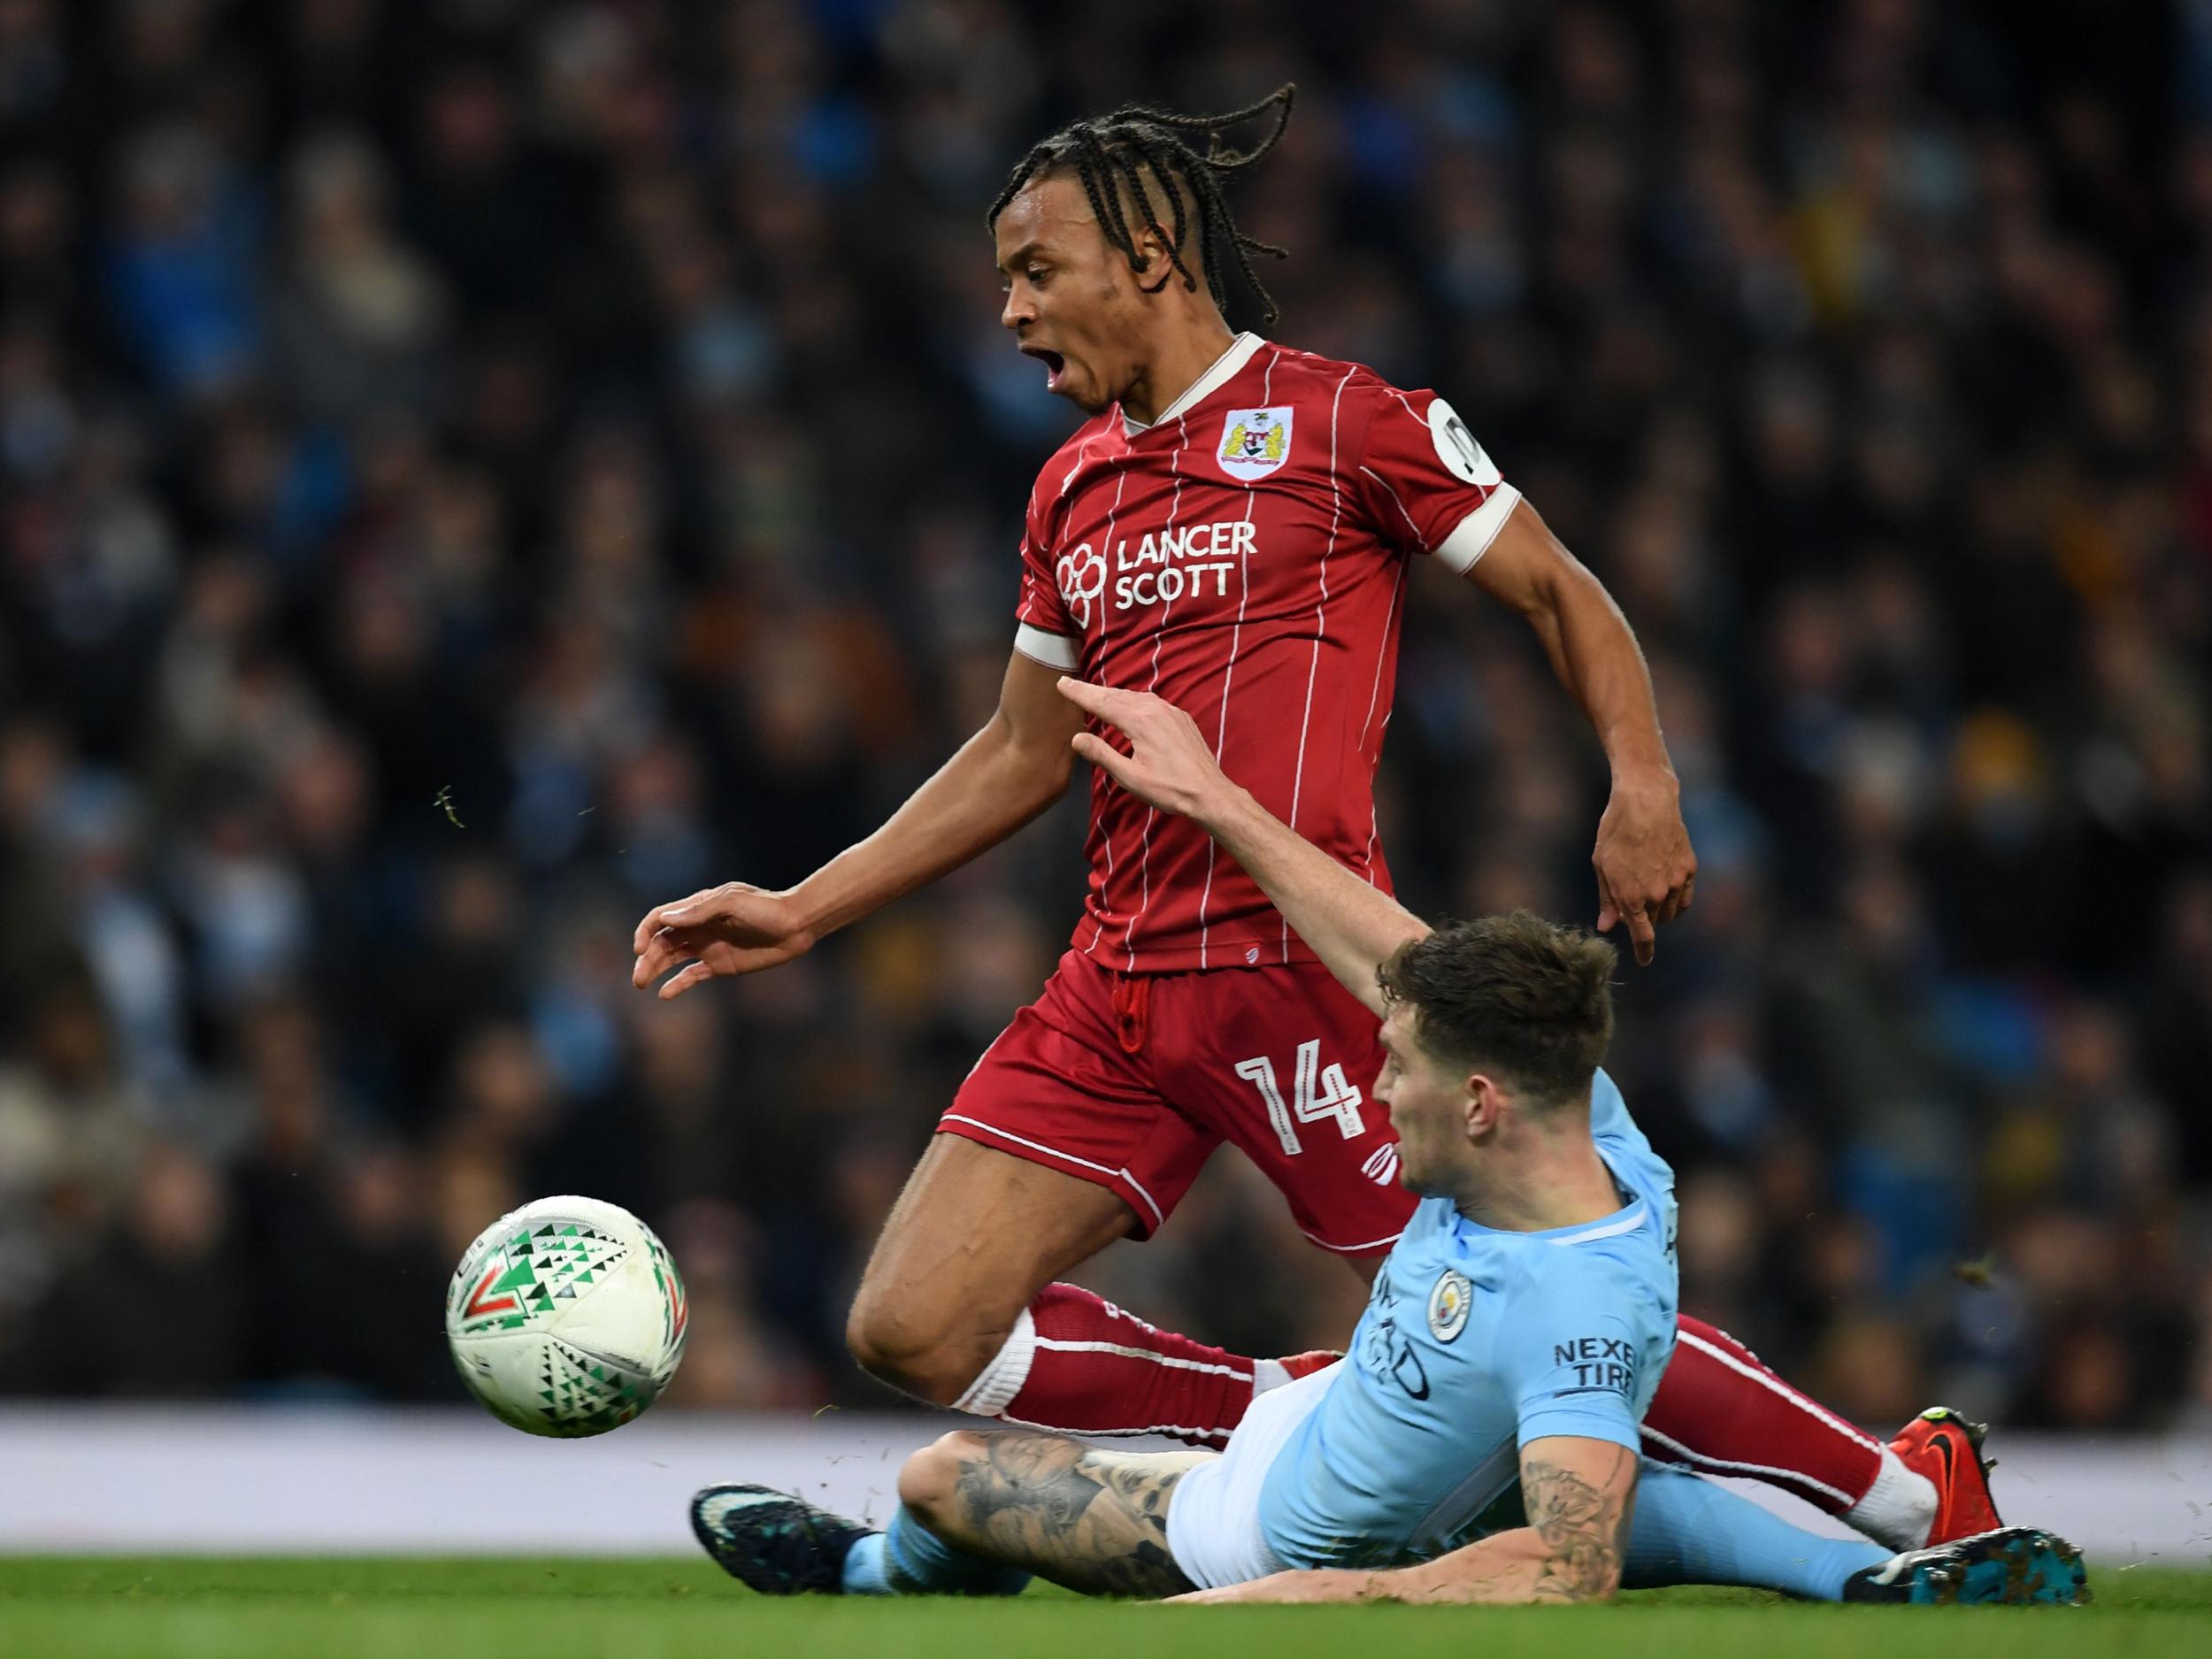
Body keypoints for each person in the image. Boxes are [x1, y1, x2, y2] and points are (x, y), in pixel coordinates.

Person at [633, 88, 1985, 1554]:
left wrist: (1642, 779)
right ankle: (1273, 1411)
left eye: (1036, 269)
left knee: (1543, 1304)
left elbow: (1557, 587)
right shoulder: (1069, 487)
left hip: (1308, 972)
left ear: (1148, 252)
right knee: (909, 1327)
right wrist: (804, 904)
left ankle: (1907, 1489)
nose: (1011, 311)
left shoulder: (1347, 420)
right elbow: (1024, 751)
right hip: (1117, 986)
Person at [688, 680, 2085, 1609]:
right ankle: (1888, 1556)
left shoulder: (1574, 1303)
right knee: (1642, 1497)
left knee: (943, 1480)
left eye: (1399, 1071)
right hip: (1342, 1419)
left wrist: (1308, 1599)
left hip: (1263, 1531)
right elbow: (1409, 962)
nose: (1377, 1083)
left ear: (1476, 1100)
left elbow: (1571, 1568)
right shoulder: (1594, 1133)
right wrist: (1225, 807)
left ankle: (872, 1579)